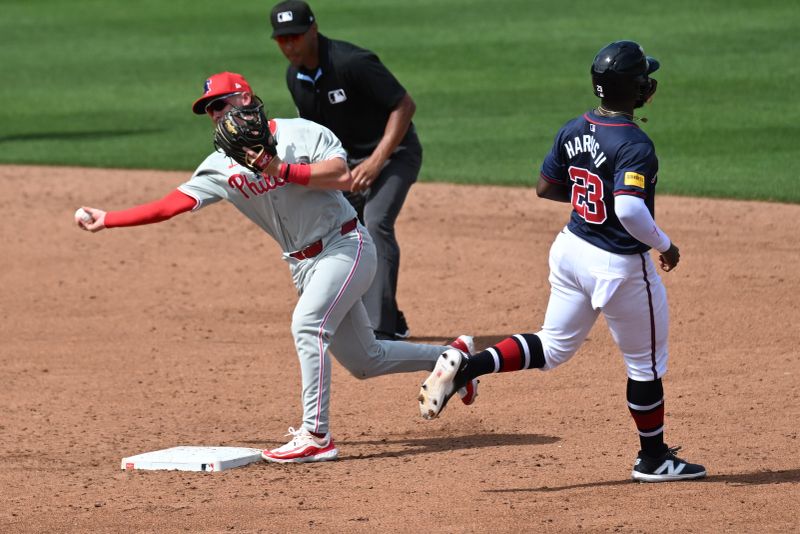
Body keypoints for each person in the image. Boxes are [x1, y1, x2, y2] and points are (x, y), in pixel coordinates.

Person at [75, 71, 477, 463]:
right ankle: (454, 357)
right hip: (303, 267)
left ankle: (316, 436)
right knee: (364, 360)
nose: (215, 115)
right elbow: (169, 206)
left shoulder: (300, 133)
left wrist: (277, 169)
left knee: (308, 325)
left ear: (246, 99)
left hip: (345, 246)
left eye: (220, 104)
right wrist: (108, 218)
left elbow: (341, 175)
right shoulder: (220, 167)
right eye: (209, 111)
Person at [417, 41, 707, 483]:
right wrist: (665, 245)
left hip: (572, 250)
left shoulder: (575, 127)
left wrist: (592, 199)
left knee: (552, 346)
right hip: (618, 269)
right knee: (644, 366)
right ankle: (653, 459)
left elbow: (545, 186)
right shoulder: (635, 144)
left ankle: (467, 367)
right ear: (635, 89)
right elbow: (629, 210)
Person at [269, 0, 419, 341]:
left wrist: (376, 161)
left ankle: (381, 330)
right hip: (347, 168)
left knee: (377, 222)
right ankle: (389, 317)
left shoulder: (352, 63)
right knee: (341, 230)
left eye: (295, 36)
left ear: (313, 30)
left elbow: (404, 105)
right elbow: (314, 136)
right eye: (282, 39)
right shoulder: (296, 78)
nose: (289, 45)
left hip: (395, 154)